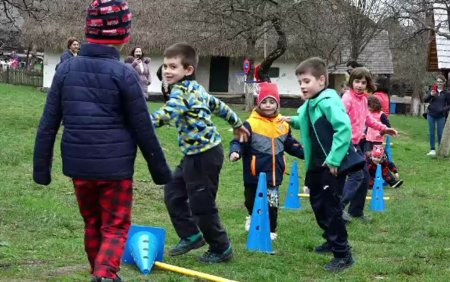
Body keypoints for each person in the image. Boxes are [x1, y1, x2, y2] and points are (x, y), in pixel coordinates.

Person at [33, 1, 172, 281]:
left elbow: (48, 124)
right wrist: (160, 171)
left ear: (88, 31)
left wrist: (41, 169)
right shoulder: (125, 74)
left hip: (79, 166)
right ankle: (106, 273)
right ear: (124, 36)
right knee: (116, 225)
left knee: (92, 223)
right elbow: (143, 127)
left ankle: (99, 271)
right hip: (115, 169)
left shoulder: (65, 71)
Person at [150, 42, 250, 263]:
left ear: (188, 70)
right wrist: (236, 123)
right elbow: (219, 106)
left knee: (202, 205)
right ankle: (191, 235)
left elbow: (167, 113)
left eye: (173, 67)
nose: (167, 71)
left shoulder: (182, 92)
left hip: (205, 156)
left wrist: (140, 124)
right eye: (165, 66)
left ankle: (221, 248)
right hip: (193, 154)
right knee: (173, 193)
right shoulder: (195, 88)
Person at [283, 57, 354, 271]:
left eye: (306, 81)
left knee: (330, 208)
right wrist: (291, 120)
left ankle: (343, 254)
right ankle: (331, 240)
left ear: (321, 80)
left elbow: (344, 129)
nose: (302, 86)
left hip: (329, 165)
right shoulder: (311, 104)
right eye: (300, 82)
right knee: (317, 205)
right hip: (314, 164)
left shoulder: (329, 101)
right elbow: (307, 122)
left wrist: (334, 159)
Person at [229, 82, 304, 241]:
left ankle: (271, 229)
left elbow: (290, 144)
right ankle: (251, 215)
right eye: (264, 102)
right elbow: (238, 141)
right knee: (251, 199)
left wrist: (307, 153)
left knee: (272, 202)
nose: (268, 105)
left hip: (274, 174)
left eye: (271, 102)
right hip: (253, 173)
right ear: (259, 103)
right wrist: (235, 151)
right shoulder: (251, 124)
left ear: (277, 103)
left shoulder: (283, 123)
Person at [341, 67, 397, 223]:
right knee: (357, 175)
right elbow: (338, 119)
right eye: (356, 81)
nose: (359, 85)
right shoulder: (347, 99)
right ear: (351, 82)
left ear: (367, 84)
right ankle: (337, 209)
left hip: (357, 143)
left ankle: (356, 212)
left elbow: (369, 120)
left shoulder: (364, 99)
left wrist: (385, 128)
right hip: (345, 143)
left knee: (365, 177)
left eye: (363, 82)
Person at [424, 74, 450, 156]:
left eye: (441, 82)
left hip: (441, 116)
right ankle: (432, 150)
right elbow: (425, 100)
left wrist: (443, 109)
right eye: (438, 81)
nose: (439, 83)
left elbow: (449, 105)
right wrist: (430, 95)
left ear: (444, 83)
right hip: (431, 114)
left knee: (440, 133)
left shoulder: (446, 93)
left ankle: (440, 149)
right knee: (431, 132)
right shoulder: (432, 91)